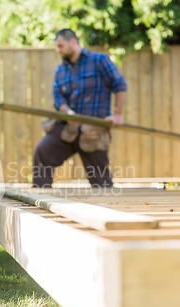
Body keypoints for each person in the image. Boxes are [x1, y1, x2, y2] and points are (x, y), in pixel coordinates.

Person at [32, 28, 127, 188]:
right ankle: (40, 198)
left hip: (93, 132)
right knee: (43, 153)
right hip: (68, 130)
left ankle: (108, 208)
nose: (58, 50)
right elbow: (58, 98)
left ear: (73, 42)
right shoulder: (61, 70)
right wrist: (68, 113)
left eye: (60, 46)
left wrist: (117, 114)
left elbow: (120, 85)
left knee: (101, 183)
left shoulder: (99, 61)